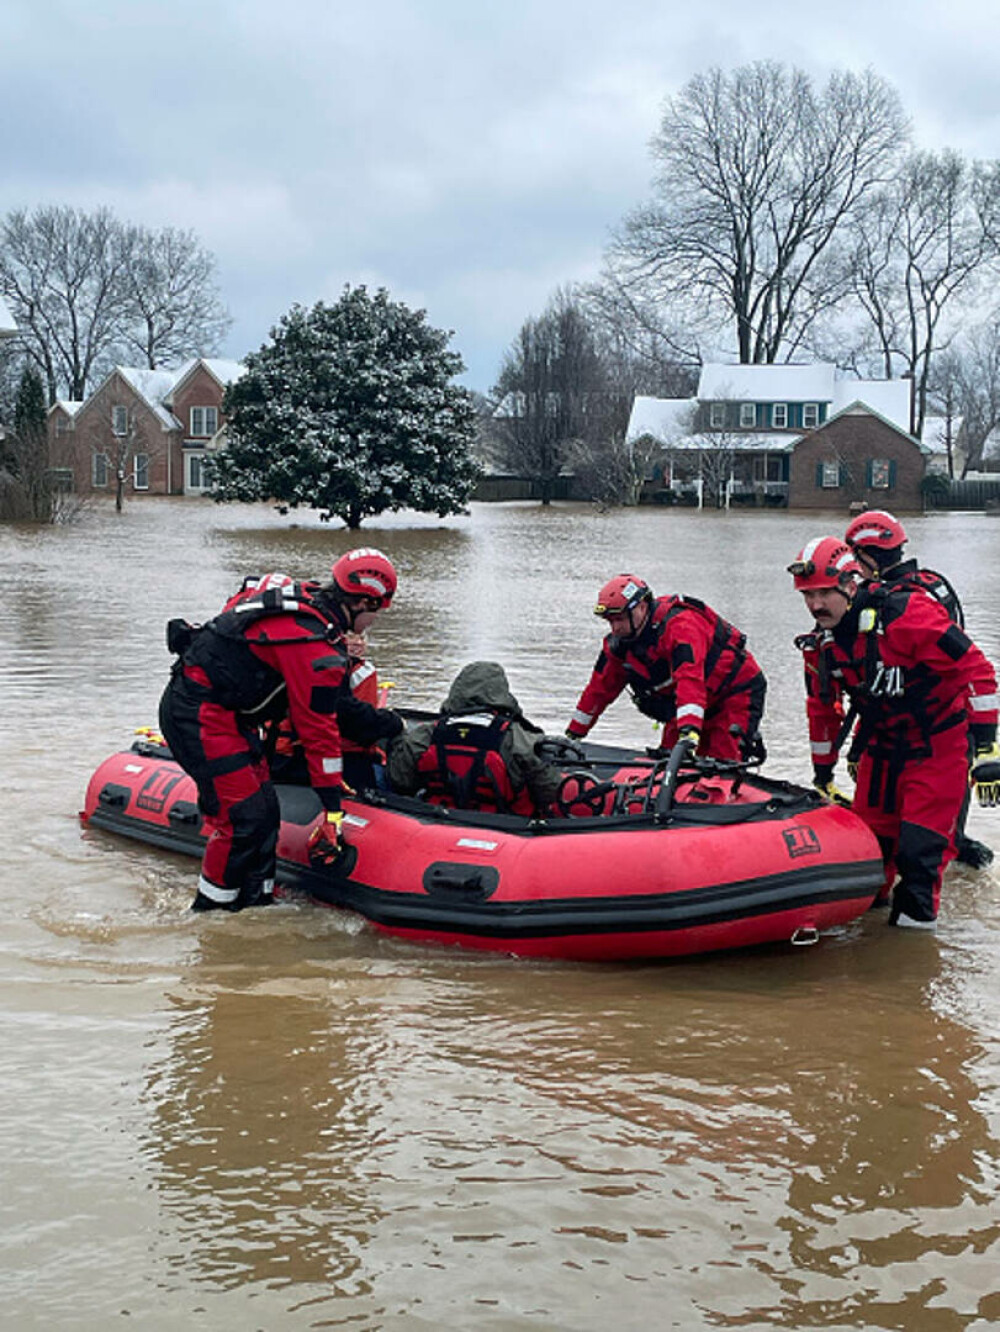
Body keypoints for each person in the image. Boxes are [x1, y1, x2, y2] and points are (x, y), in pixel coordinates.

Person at [159, 548, 402, 912]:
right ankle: (209, 915)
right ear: (363, 602)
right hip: (199, 714)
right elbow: (319, 731)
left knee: (266, 814)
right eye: (376, 613)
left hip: (227, 713)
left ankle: (256, 906)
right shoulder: (315, 647)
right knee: (242, 820)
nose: (373, 623)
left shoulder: (305, 602)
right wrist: (332, 810)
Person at [789, 535, 999, 929]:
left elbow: (977, 671)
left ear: (850, 585)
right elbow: (822, 712)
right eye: (808, 595)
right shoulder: (822, 645)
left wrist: (987, 748)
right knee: (869, 853)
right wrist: (823, 774)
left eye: (824, 593)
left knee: (920, 856)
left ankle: (915, 943)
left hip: (937, 748)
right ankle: (873, 953)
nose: (816, 605)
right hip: (882, 750)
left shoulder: (906, 613)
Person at [844, 508, 991, 868]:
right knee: (940, 822)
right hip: (951, 719)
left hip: (934, 726)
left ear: (868, 556)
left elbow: (885, 679)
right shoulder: (931, 585)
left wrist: (989, 745)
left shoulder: (896, 603)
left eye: (856, 560)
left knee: (928, 836)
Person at [565, 574, 766, 761]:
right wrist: (573, 736)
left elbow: (689, 679)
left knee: (721, 761)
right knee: (667, 759)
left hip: (732, 694)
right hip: (684, 703)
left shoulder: (681, 627)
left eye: (619, 619)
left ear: (641, 607)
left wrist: (688, 733)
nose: (615, 628)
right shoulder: (620, 645)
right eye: (610, 621)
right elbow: (598, 691)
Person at [386, 661, 564, 815]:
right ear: (501, 695)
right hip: (505, 825)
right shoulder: (520, 738)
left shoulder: (426, 734)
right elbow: (550, 790)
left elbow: (401, 780)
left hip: (440, 819)